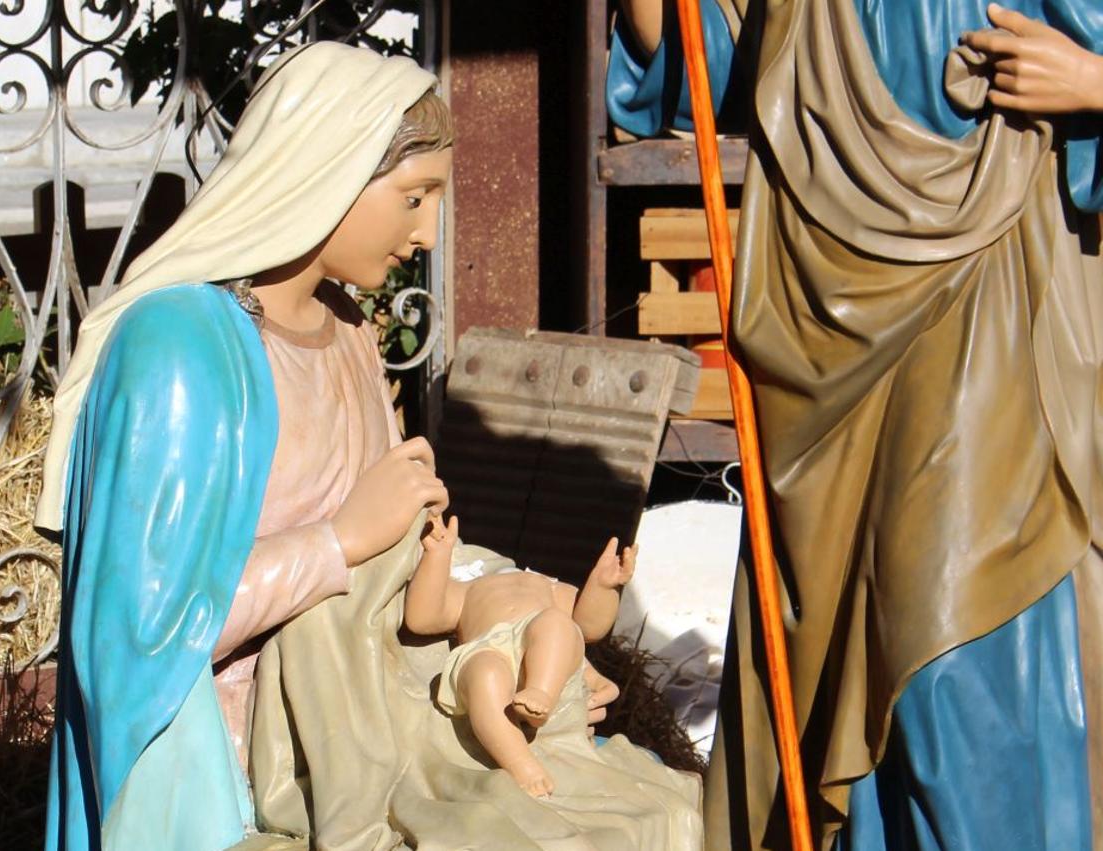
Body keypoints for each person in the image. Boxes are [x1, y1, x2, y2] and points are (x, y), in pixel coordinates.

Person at [610, 1, 1103, 848]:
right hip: (822, 332)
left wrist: (1097, 82)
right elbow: (721, 70)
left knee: (954, 666)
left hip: (994, 296)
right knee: (853, 671)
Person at [38, 42, 457, 850]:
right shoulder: (180, 347)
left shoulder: (351, 333)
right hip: (234, 786)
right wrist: (340, 541)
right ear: (329, 168)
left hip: (366, 735)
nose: (429, 232)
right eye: (413, 197)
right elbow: (136, 638)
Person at [403, 515, 633, 797]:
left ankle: (540, 692)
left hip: (537, 653)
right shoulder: (468, 589)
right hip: (487, 646)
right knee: (484, 673)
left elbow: (589, 627)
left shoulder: (551, 587)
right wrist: (437, 557)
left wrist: (603, 587)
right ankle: (519, 762)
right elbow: (423, 617)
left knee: (557, 625)